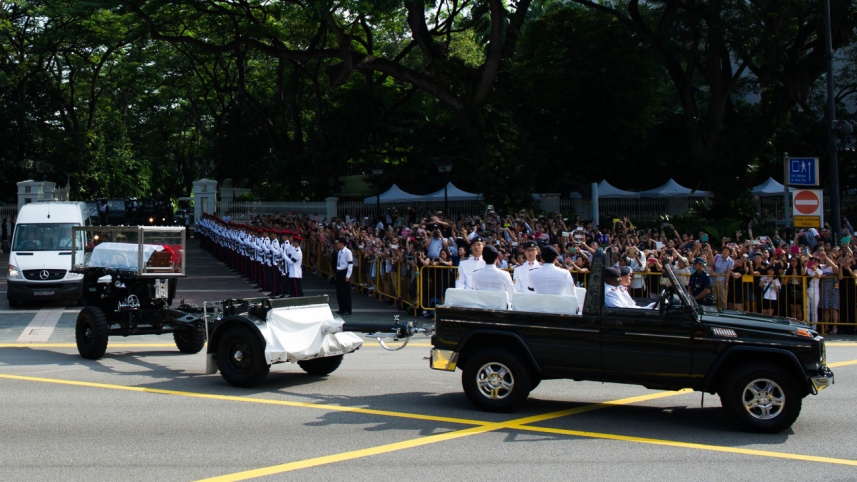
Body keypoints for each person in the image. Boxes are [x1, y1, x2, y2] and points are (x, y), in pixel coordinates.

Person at [335, 237, 353, 315]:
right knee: (339, 291)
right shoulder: (339, 252)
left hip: (344, 271)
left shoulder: (348, 252)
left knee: (345, 291)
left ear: (342, 243)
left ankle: (347, 308)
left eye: (338, 243)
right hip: (339, 271)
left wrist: (348, 275)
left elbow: (350, 264)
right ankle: (341, 308)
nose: (337, 245)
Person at [285, 231, 304, 297]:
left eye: (294, 242)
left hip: (295, 273)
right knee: (293, 289)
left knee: (296, 289)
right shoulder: (295, 250)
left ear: (297, 243)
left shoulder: (298, 252)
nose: (292, 243)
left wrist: (284, 256)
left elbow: (291, 261)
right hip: (292, 272)